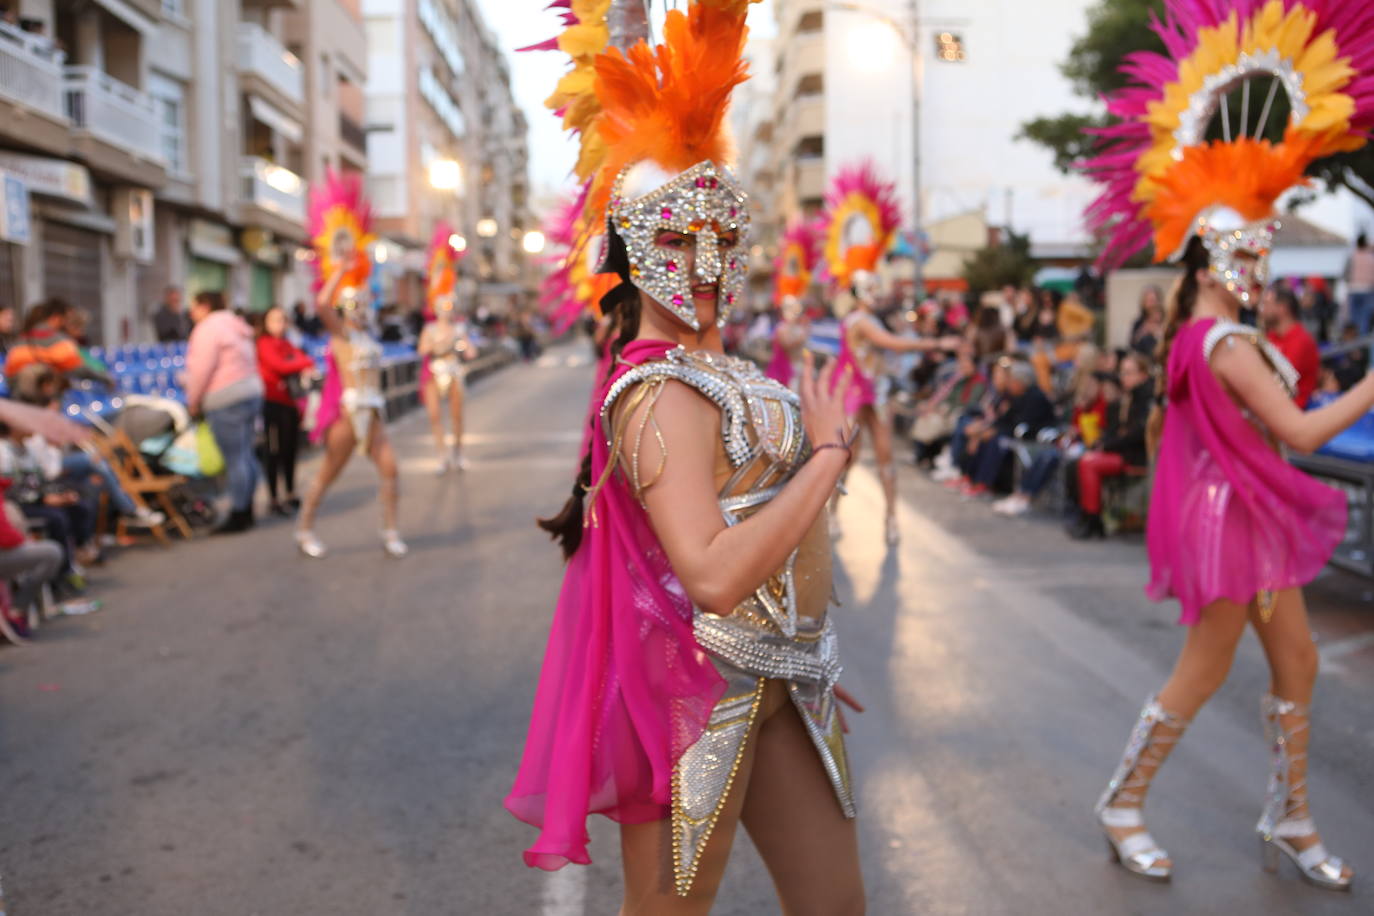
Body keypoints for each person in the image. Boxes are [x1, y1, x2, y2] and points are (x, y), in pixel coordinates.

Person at [507, 6, 865, 912]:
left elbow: (761, 518)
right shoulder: (657, 390)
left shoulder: (722, 370)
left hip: (783, 676)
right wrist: (827, 459)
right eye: (676, 238)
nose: (706, 262)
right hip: (687, 693)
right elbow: (709, 574)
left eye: (724, 237)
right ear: (631, 250)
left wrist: (802, 640)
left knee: (836, 905)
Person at [1082, 5, 1374, 886]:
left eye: (1263, 257)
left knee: (1299, 659)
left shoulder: (1202, 336)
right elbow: (1300, 432)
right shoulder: (1223, 343)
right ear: (1212, 262)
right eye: (1249, 258)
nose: (1260, 272)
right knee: (1203, 671)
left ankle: (1292, 815)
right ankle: (1122, 803)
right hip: (1229, 524)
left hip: (1246, 515)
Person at [295, 170, 405, 560]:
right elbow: (322, 304)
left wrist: (360, 267)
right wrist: (340, 270)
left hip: (372, 412)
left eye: (364, 302)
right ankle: (304, 528)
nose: (361, 308)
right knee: (329, 473)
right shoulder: (340, 335)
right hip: (347, 413)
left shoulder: (368, 336)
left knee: (390, 470)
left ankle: (390, 530)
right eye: (353, 304)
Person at [185, 291, 264, 534]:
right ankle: (247, 508)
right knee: (246, 454)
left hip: (226, 397)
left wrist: (193, 401)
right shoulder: (235, 324)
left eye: (194, 306)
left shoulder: (208, 328)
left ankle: (239, 513)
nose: (191, 312)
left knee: (235, 459)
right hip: (250, 391)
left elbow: (201, 370)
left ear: (205, 306)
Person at [1066, 352, 1151, 538]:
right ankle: (1086, 515)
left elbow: (1137, 433)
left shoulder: (1145, 399)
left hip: (1136, 455)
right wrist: (1103, 443)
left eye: (1129, 372)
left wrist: (1108, 445)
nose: (1124, 377)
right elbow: (1115, 430)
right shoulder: (1125, 398)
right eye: (1122, 372)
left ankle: (1092, 518)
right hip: (1120, 450)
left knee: (1088, 463)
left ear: (1143, 375)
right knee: (1080, 461)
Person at [255, 306, 315, 516]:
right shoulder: (264, 343)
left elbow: (301, 359)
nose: (279, 324)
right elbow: (281, 366)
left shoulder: (287, 343)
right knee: (273, 451)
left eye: (282, 319)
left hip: (290, 403)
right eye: (274, 320)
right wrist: (302, 363)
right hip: (272, 403)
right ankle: (273, 497)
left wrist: (300, 362)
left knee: (290, 450)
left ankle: (290, 492)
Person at [1262, 283, 1321, 408]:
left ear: (1283, 308)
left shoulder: (1301, 341)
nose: (1262, 309)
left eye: (1267, 304)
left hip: (1292, 409)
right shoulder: (1271, 337)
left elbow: (1279, 379)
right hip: (1274, 407)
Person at [763, 294, 810, 389]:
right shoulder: (782, 327)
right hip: (781, 366)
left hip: (792, 365)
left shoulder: (795, 327)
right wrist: (801, 338)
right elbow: (786, 345)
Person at [1343, 233, 1374, 336]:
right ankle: (1362, 340)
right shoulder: (1371, 257)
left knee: (1353, 318)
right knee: (1365, 318)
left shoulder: (1352, 256)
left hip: (1354, 289)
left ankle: (1354, 339)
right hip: (1368, 290)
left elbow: (1345, 274)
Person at [1131, 285, 1165, 356]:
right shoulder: (1138, 323)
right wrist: (1142, 332)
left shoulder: (1166, 321)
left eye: (1153, 300)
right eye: (1148, 301)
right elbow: (1132, 345)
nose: (1151, 305)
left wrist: (1157, 332)